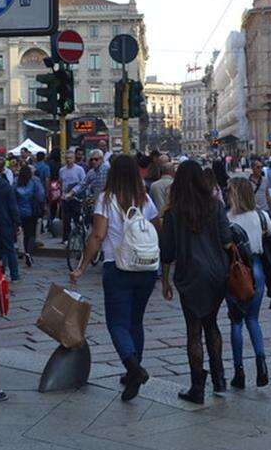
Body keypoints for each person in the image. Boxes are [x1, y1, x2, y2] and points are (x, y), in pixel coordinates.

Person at [70, 154, 158, 402]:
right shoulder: (144, 197)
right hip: (146, 269)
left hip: (118, 268)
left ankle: (134, 369)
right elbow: (156, 227)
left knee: (117, 324)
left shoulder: (106, 199)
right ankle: (132, 373)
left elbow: (97, 236)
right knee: (136, 322)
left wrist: (82, 266)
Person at [160, 160, 234, 405]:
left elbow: (167, 251)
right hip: (216, 274)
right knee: (212, 324)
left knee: (193, 330)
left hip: (190, 275)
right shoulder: (216, 205)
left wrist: (165, 282)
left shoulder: (173, 212)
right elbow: (227, 239)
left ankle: (197, 387)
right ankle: (220, 380)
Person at [226, 177, 271, 389]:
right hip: (258, 270)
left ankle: (239, 372)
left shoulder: (227, 218)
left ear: (234, 194)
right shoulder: (261, 216)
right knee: (253, 320)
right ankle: (262, 366)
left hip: (237, 271)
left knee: (236, 322)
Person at [14, 165, 44, 267]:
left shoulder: (16, 183)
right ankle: (28, 252)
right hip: (31, 212)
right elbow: (40, 196)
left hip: (19, 212)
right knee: (30, 234)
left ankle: (22, 249)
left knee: (20, 232)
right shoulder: (34, 182)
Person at [0, 169, 21, 281]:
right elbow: (13, 206)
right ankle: (14, 275)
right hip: (5, 221)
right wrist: (17, 222)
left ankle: (0, 273)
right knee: (9, 248)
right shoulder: (6, 186)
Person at [58, 152, 87, 243]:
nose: (68, 160)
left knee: (76, 218)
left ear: (74, 159)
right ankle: (66, 238)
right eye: (66, 158)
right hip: (65, 198)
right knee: (66, 219)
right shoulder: (62, 170)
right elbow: (61, 182)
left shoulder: (79, 170)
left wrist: (74, 192)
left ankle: (79, 237)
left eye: (70, 158)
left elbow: (83, 183)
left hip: (76, 198)